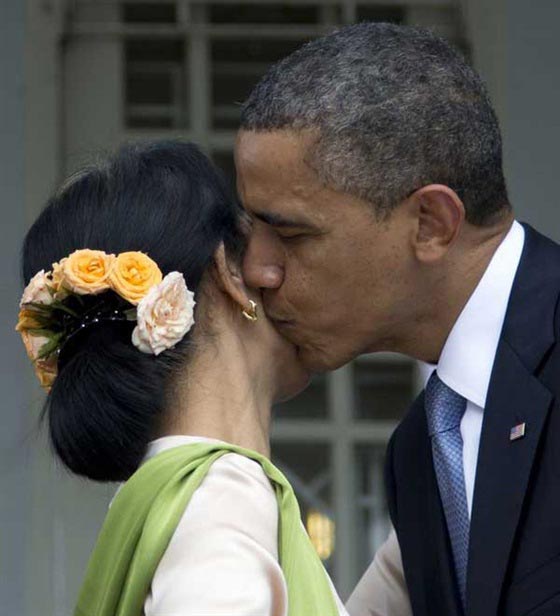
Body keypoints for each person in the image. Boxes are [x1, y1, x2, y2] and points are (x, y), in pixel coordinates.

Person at [236, 22, 560, 616]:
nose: (258, 269)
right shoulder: (417, 453)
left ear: (431, 224)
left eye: (291, 234)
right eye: (252, 230)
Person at [17, 140, 349, 616]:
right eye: (276, 238)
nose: (276, 269)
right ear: (228, 269)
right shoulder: (221, 497)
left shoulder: (170, 500)